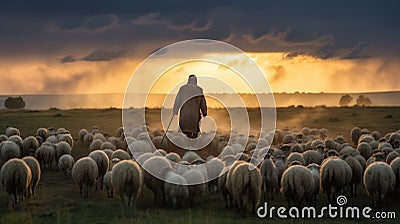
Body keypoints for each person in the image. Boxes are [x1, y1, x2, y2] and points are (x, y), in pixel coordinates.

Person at [173, 74, 207, 138]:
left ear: (188, 80)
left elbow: (177, 100)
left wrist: (175, 111)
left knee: (183, 132)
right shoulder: (199, 90)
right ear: (195, 81)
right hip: (195, 116)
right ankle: (192, 145)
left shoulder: (182, 89)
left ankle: (183, 145)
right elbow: (203, 103)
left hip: (184, 114)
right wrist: (204, 112)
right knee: (194, 132)